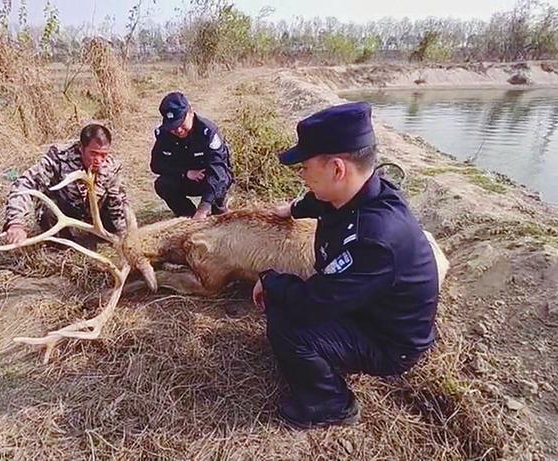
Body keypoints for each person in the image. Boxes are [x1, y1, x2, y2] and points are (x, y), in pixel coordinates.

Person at [252, 102, 440, 428]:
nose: (301, 175)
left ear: (337, 169)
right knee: (285, 305)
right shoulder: (361, 191)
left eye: (305, 168)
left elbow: (312, 305)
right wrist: (294, 209)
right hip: (370, 309)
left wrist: (270, 280)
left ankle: (332, 404)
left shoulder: (375, 239)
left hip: (389, 341)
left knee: (287, 323)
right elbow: (322, 201)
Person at [3, 123, 128, 246]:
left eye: (103, 155)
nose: (99, 160)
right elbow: (25, 184)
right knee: (47, 211)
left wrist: (123, 233)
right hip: (66, 212)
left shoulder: (113, 167)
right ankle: (60, 244)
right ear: (81, 148)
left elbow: (117, 201)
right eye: (93, 153)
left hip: (95, 217)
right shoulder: (59, 158)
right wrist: (16, 223)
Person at [150, 92, 233, 220]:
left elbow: (219, 171)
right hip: (186, 179)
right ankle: (187, 216)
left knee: (219, 210)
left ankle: (215, 209)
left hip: (210, 180)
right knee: (162, 184)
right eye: (173, 126)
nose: (178, 130)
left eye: (181, 123)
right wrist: (185, 172)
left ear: (191, 112)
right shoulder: (164, 134)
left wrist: (203, 208)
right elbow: (157, 165)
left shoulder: (208, 132)